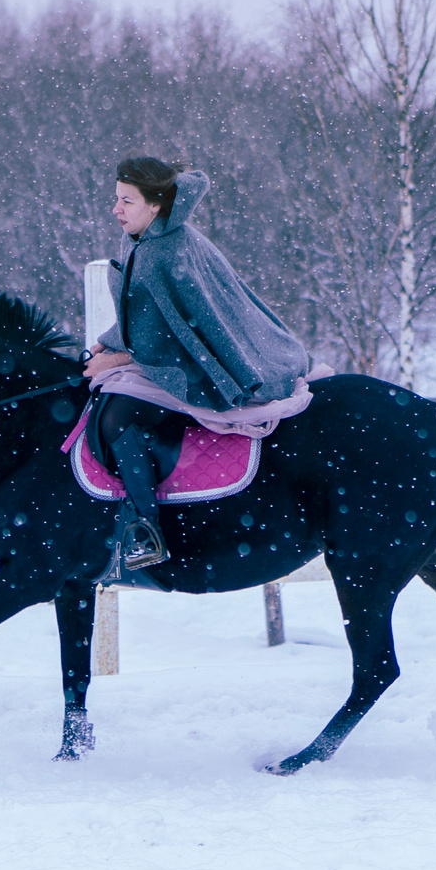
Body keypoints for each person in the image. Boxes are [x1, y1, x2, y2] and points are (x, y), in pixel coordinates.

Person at [82, 156, 312, 577]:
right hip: (160, 354)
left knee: (117, 417)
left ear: (155, 205)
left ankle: (146, 531)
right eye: (116, 199)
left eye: (127, 201)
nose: (116, 209)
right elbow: (145, 313)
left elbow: (173, 336)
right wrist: (106, 342)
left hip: (191, 367)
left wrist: (113, 358)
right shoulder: (143, 237)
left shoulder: (164, 251)